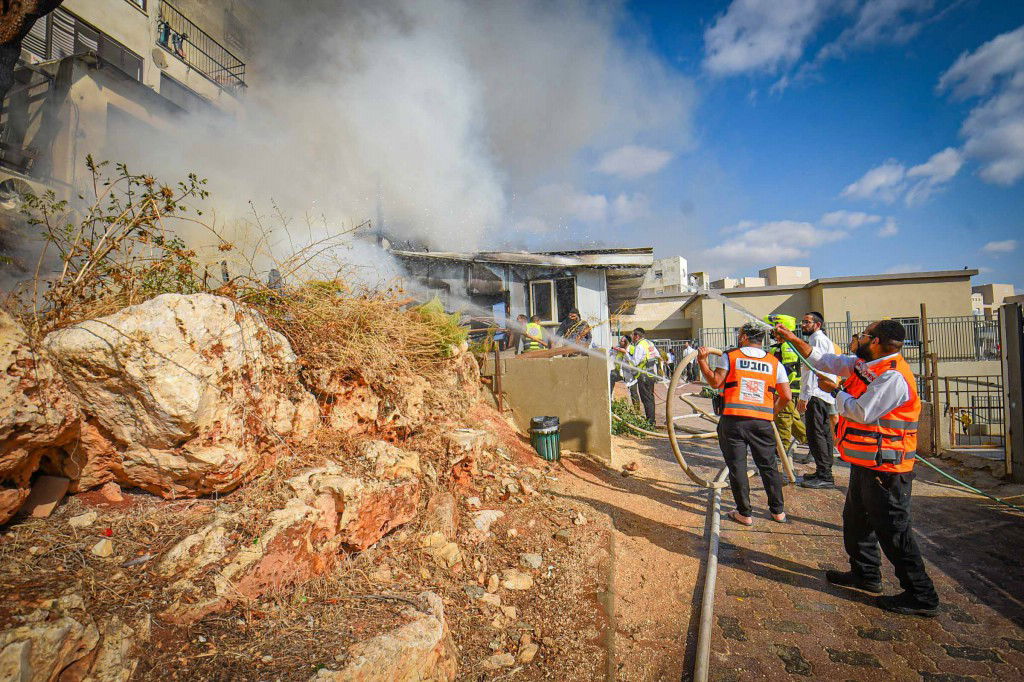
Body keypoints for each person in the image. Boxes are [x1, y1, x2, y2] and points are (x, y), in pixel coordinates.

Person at [775, 320, 939, 616]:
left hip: (887, 469)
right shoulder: (868, 365)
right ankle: (866, 574)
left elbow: (862, 412)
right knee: (856, 521)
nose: (859, 338)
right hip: (866, 464)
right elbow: (824, 359)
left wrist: (835, 392)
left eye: (864, 334)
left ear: (875, 341)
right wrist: (791, 339)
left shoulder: (892, 377)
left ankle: (921, 595)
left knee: (894, 531)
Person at [697, 322, 791, 525]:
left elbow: (715, 382)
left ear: (744, 337)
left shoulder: (731, 357)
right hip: (762, 422)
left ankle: (744, 513)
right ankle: (778, 512)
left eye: (740, 334)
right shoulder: (775, 363)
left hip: (734, 420)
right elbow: (786, 396)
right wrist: (771, 413)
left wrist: (702, 361)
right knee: (769, 466)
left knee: (737, 467)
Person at [797, 312, 839, 489]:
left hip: (816, 395)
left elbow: (815, 372)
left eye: (807, 322)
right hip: (821, 394)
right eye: (803, 321)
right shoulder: (817, 340)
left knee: (817, 436)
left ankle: (825, 476)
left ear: (818, 324)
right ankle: (823, 471)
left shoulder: (818, 341)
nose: (803, 325)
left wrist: (804, 397)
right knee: (823, 435)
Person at [765, 314, 807, 458]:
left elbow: (790, 370)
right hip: (783, 391)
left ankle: (780, 455)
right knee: (793, 420)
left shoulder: (788, 347)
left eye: (774, 329)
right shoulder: (779, 346)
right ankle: (811, 443)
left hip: (787, 391)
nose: (772, 332)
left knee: (783, 421)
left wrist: (780, 391)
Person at [628, 328, 660, 424]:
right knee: (650, 398)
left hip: (644, 376)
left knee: (646, 399)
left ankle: (650, 422)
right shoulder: (649, 343)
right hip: (651, 375)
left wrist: (625, 353)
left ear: (637, 336)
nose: (631, 337)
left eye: (632, 335)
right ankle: (651, 420)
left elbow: (634, 361)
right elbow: (657, 355)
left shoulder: (639, 346)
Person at [610, 335, 640, 405]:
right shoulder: (619, 349)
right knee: (611, 377)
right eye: (620, 340)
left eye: (622, 341)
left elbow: (634, 362)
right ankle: (610, 400)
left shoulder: (633, 349)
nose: (620, 342)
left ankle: (637, 411)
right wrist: (614, 351)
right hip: (620, 372)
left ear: (627, 342)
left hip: (630, 374)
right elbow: (613, 357)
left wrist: (625, 352)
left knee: (634, 393)